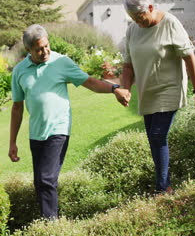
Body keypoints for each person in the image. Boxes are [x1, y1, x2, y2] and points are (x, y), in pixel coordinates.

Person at [9, 24, 130, 219]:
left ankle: (50, 226)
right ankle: (50, 219)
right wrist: (12, 142)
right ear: (28, 50)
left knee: (47, 179)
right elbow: (17, 107)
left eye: (46, 46)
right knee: (40, 182)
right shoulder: (20, 71)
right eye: (38, 49)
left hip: (58, 129)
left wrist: (114, 88)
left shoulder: (61, 62)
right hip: (36, 132)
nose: (44, 52)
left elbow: (89, 82)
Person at [121, 0, 195, 194]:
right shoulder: (133, 29)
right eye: (133, 17)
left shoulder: (170, 23)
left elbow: (189, 57)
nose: (137, 21)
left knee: (158, 135)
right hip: (147, 92)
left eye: (140, 16)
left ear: (151, 7)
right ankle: (163, 181)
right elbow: (128, 65)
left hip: (169, 88)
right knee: (153, 138)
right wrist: (125, 88)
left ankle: (163, 188)